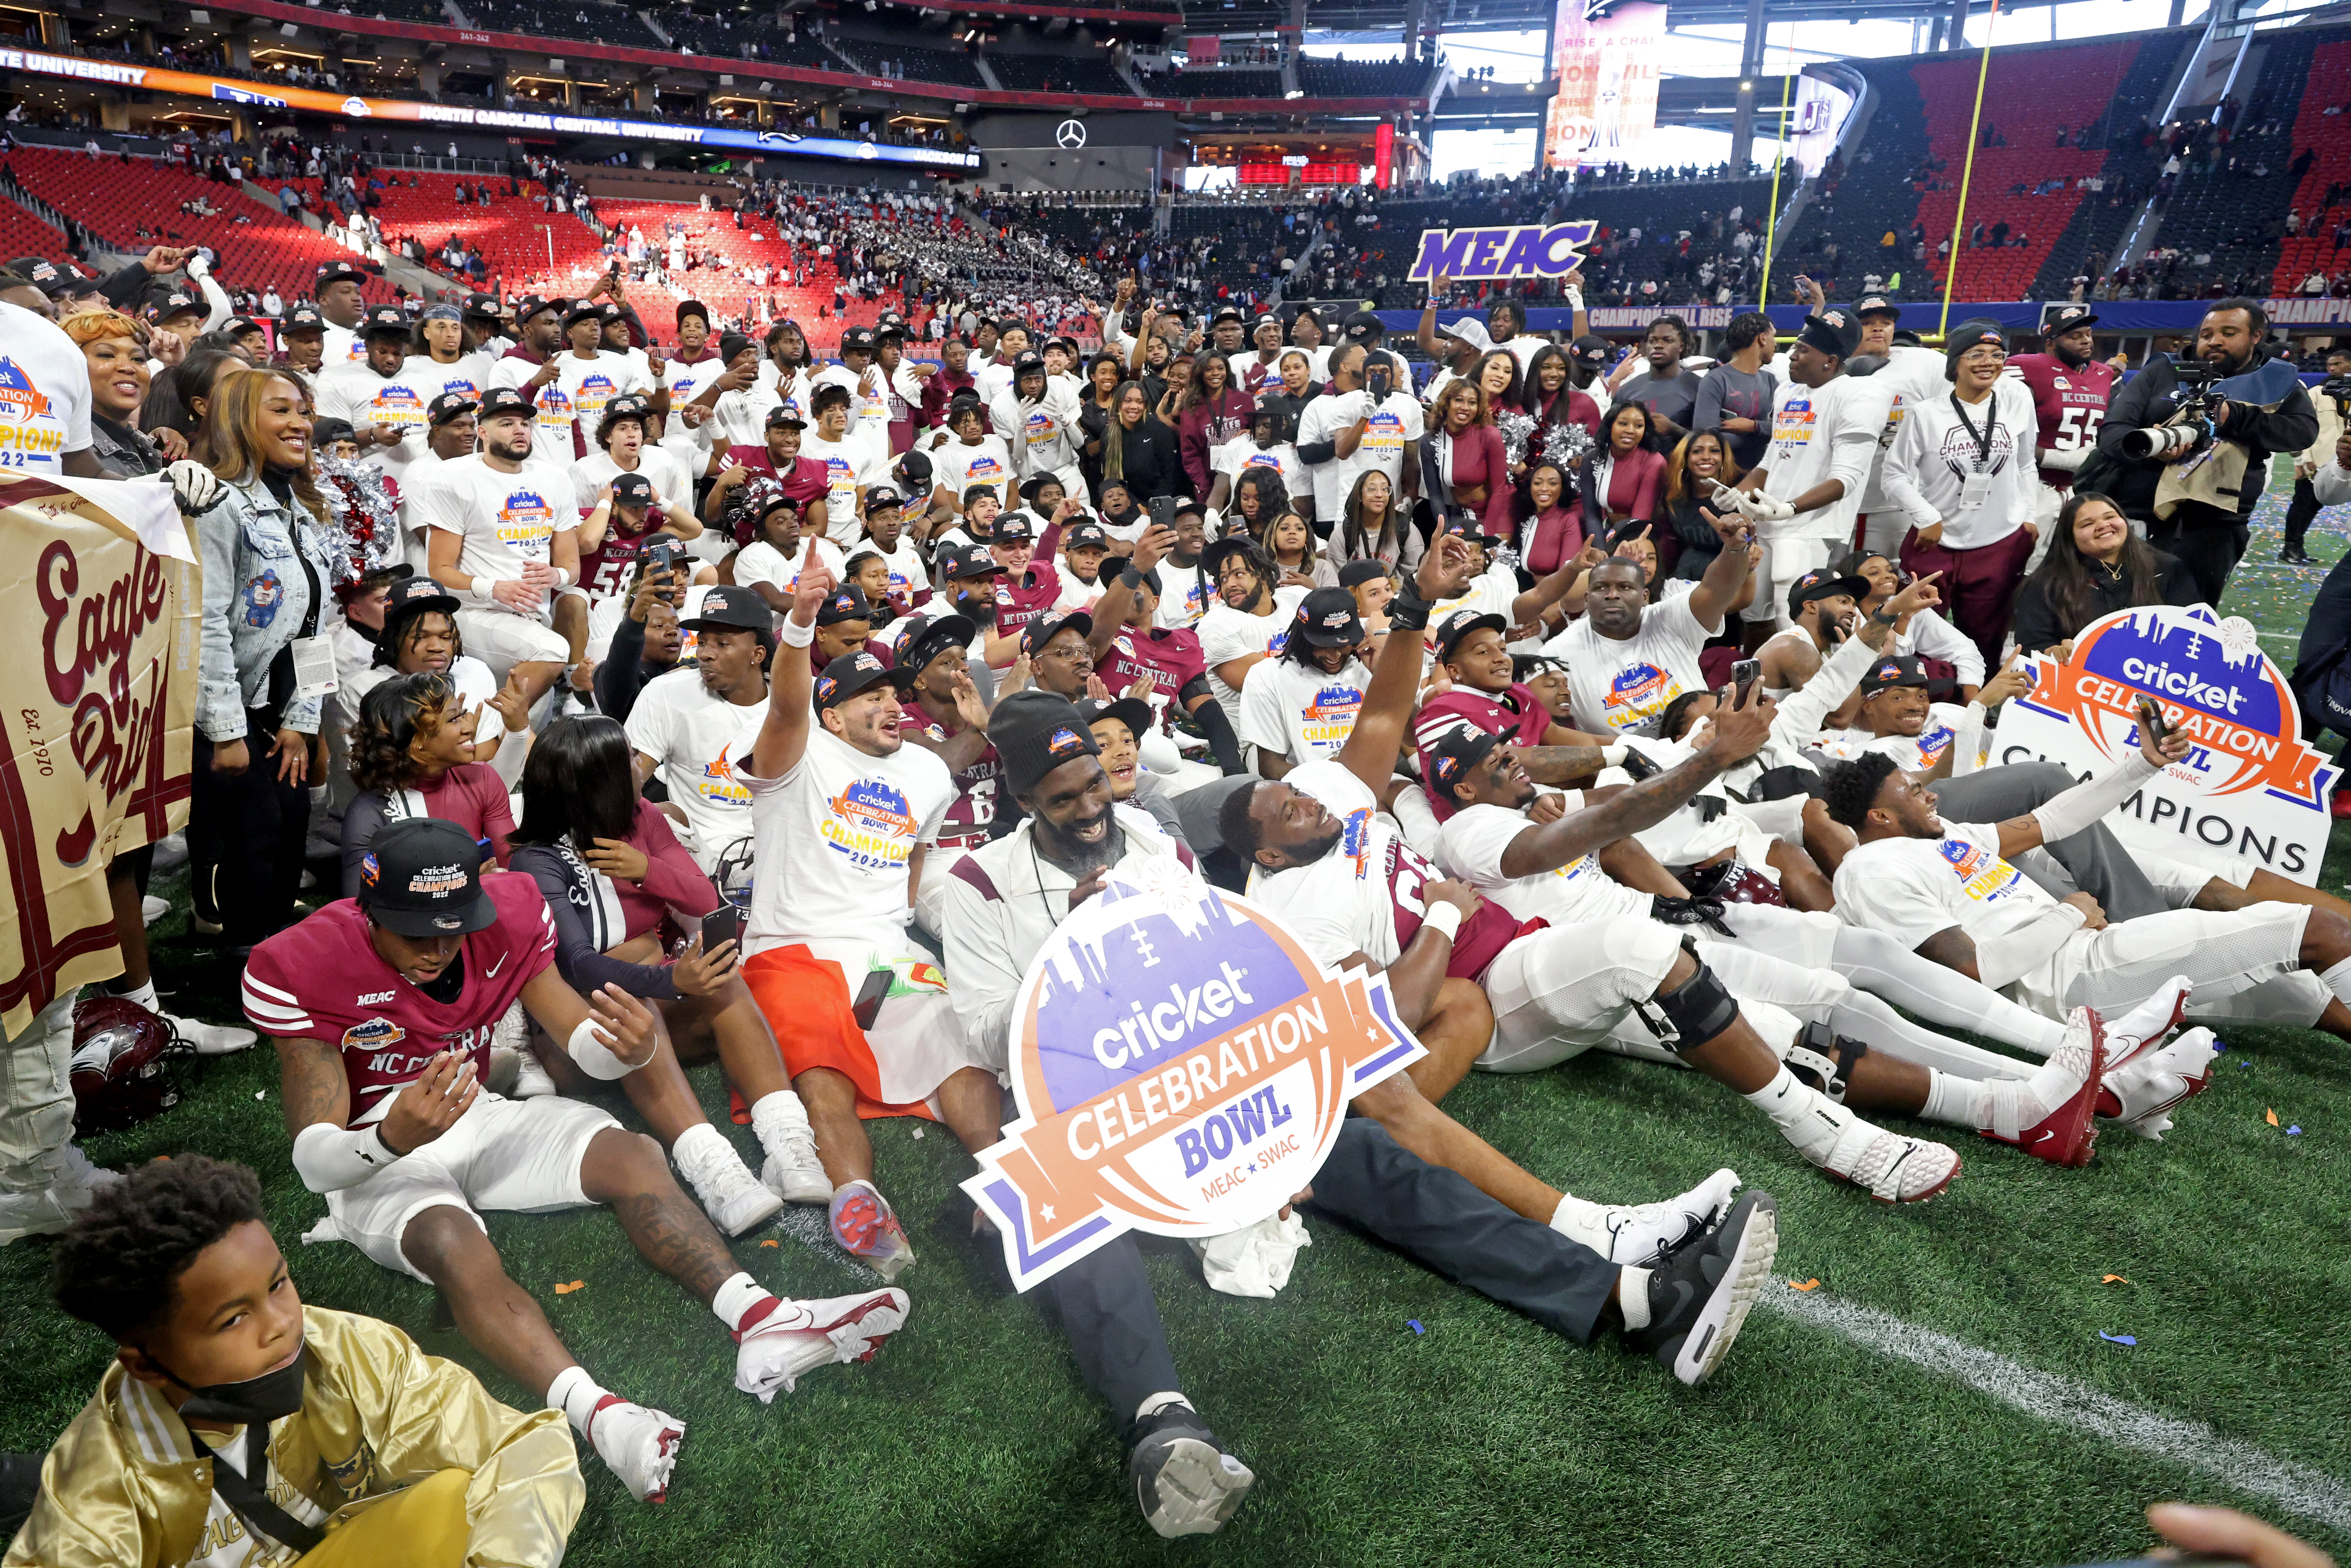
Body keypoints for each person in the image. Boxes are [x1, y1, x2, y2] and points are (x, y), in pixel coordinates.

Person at [936, 689, 1781, 1537]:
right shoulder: (977, 884)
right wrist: (1081, 958)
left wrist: (1273, 1143)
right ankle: (1164, 1429)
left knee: (1375, 1160)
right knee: (1077, 1226)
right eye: (1064, 801)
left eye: (1094, 786)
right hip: (1093, 1115)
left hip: (1202, 1088)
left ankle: (1634, 1301)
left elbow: (1216, 970)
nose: (1091, 810)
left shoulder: (1150, 837)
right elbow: (990, 1032)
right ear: (1019, 802)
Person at [1225, 536, 1989, 1204]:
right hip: (1510, 974)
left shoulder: (1342, 793)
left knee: (1792, 1018)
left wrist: (1415, 604)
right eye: (1284, 806)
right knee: (1664, 955)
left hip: (1543, 944)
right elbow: (1382, 1023)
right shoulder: (1380, 865)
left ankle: (2006, 1107)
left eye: (1295, 787)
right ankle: (1830, 1139)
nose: (1303, 793)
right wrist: (1443, 913)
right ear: (1265, 854)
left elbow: (1388, 726)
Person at [240, 818, 908, 1504]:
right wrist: (389, 1140)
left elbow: (578, 1039)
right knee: (452, 1242)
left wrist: (624, 1044)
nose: (440, 949)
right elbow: (314, 1163)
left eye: (454, 928)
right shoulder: (306, 961)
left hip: (475, 1108)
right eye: (418, 933)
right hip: (373, 1147)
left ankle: (760, 1319)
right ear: (370, 912)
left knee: (632, 1155)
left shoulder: (510, 916)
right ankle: (600, 1415)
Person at [11, 1155, 582, 1566]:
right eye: (234, 1319)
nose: (283, 1323)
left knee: (452, 1499)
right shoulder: (95, 1494)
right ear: (145, 1364)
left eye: (278, 1284)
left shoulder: (342, 1347)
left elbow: (524, 1446)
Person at [733, 551, 1003, 1279]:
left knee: (955, 1045)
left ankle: (1005, 1177)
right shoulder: (799, 754)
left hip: (882, 954)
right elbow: (788, 705)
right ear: (832, 717)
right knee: (825, 1070)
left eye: (893, 696)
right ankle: (861, 1196)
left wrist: (977, 730)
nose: (890, 705)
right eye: (868, 699)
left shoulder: (921, 769)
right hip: (795, 949)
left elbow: (944, 769)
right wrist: (798, 625)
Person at [508, 716, 831, 1210]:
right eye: (629, 760)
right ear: (597, 783)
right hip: (579, 1046)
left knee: (724, 981)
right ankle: (714, 1170)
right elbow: (576, 965)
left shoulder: (641, 817)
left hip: (655, 1015)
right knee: (633, 989)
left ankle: (788, 1143)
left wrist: (647, 870)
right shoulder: (536, 861)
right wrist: (670, 981)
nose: (641, 766)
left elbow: (704, 899)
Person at [1823, 743, 2351, 1044]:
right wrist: (2067, 915)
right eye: (1915, 792)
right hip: (2070, 984)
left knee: (2298, 987)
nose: (1931, 792)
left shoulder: (1946, 836)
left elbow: (2050, 820)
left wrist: (2143, 764)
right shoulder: (1872, 872)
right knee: (2319, 930)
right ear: (1880, 817)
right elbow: (1972, 972)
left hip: (2091, 958)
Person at [185, 366, 338, 954]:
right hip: (225, 708)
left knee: (291, 827)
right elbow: (206, 626)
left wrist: (303, 720)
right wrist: (227, 733)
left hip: (279, 707)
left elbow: (314, 624)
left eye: (303, 410)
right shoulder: (216, 504)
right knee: (254, 836)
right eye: (282, 410)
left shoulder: (303, 507)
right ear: (237, 419)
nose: (301, 422)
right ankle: (240, 961)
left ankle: (274, 953)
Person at [2093, 298, 2317, 603]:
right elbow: (2111, 433)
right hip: (2135, 520)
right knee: (2111, 616)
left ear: (2256, 336)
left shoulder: (2274, 380)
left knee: (2188, 625)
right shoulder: (2163, 370)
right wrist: (2151, 448)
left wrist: (2235, 417)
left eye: (2228, 333)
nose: (2215, 341)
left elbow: (2302, 432)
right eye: (2207, 333)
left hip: (2214, 530)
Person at [1876, 321, 2039, 669]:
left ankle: (1978, 706)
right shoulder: (1926, 414)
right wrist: (1925, 514)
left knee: (1986, 639)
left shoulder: (2016, 402)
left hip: (1998, 543)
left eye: (1997, 355)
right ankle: (1915, 700)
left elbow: (2026, 466)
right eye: (1976, 354)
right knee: (1915, 633)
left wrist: (2029, 516)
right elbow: (1893, 474)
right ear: (1955, 364)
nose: (1988, 363)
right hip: (1934, 542)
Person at [409, 387, 586, 707]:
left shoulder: (555, 479)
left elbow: (571, 567)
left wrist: (555, 576)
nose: (519, 430)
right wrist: (494, 589)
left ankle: (508, 735)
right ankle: (498, 725)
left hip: (533, 617)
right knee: (552, 650)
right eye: (506, 423)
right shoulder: (453, 478)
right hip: (476, 613)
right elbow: (438, 571)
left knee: (575, 601)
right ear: (482, 433)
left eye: (524, 423)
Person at [1719, 309, 1885, 645]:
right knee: (1753, 611)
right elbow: (1774, 458)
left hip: (1809, 527)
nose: (1791, 357)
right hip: (1767, 521)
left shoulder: (1859, 395)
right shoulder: (1788, 393)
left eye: (1802, 351)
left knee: (1792, 615)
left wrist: (1790, 508)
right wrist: (1738, 493)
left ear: (1830, 360)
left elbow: (1847, 478)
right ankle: (1765, 684)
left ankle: (1806, 689)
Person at [1542, 506, 1756, 737]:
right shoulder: (1557, 653)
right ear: (1588, 598)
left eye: (1625, 587)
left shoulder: (1670, 615)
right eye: (1602, 587)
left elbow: (1717, 589)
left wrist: (1735, 550)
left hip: (1708, 746)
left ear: (1645, 596)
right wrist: (1615, 564)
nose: (1612, 595)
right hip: (1628, 767)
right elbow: (1569, 597)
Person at [626, 584, 771, 876]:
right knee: (663, 815)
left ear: (757, 654)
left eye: (722, 643)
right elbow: (629, 777)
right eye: (703, 642)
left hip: (778, 846)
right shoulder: (667, 693)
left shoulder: (798, 703)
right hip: (696, 851)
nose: (705, 654)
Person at [340, 672, 515, 897]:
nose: (470, 729)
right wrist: (458, 888)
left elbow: (514, 870)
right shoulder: (370, 813)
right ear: (417, 742)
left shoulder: (482, 779)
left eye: (462, 715)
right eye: (454, 720)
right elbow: (359, 906)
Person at [2008, 490, 2200, 656]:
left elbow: (2193, 636)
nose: (2103, 525)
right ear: (2069, 537)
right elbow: (2031, 648)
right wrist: (2053, 652)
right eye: (2087, 524)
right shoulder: (2046, 584)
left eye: (2110, 517)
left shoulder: (2167, 569)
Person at [2004, 303, 2119, 559]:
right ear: (2050, 343)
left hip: (2085, 489)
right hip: (2037, 487)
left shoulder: (2104, 374)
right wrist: (2047, 456)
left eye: (2088, 334)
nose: (2086, 341)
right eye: (2074, 337)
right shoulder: (2025, 367)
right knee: (2024, 565)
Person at [1236, 587, 1374, 777]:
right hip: (1309, 790)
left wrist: (1385, 673)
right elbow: (1270, 767)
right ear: (1303, 637)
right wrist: (1332, 776)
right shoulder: (1268, 676)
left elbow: (1411, 737)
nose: (1334, 655)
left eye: (1342, 644)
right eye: (1323, 645)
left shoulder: (1368, 665)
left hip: (1372, 777)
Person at [1297, 344, 1423, 529]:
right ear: (1365, 375)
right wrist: (1365, 417)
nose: (1378, 376)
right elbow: (1342, 451)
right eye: (1373, 371)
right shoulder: (1345, 402)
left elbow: (1411, 459)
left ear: (1392, 375)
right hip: (1352, 501)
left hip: (1390, 501)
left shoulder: (1409, 405)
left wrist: (1410, 497)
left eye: (1384, 371)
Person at [313, 304, 430, 490]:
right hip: (362, 491)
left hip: (422, 484)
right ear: (367, 345)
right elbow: (327, 446)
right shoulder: (336, 379)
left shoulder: (426, 376)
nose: (391, 360)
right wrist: (373, 436)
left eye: (398, 353)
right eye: (382, 352)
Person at [1197, 536, 1310, 716]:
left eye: (1239, 574)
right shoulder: (1216, 624)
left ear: (1264, 574)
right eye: (1224, 578)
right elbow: (1269, 685)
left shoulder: (1299, 599)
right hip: (1252, 736)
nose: (1230, 585)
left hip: (1307, 720)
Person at [2281, 344, 2351, 565]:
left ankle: (2297, 547)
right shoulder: (2316, 394)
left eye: (2338, 364)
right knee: (2302, 506)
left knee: (2312, 508)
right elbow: (2302, 429)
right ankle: (2291, 548)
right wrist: (2303, 460)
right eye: (2330, 365)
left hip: (2341, 464)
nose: (2332, 368)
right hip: (2317, 462)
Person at [1422, 378, 1510, 536]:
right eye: (1459, 400)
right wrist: (1445, 532)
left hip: (1495, 515)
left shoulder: (1489, 435)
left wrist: (1487, 536)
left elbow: (1499, 491)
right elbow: (1435, 495)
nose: (1465, 408)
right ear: (1447, 403)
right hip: (1461, 514)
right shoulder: (1431, 441)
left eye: (1472, 403)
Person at [1695, 310, 1778, 471]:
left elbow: (1784, 429)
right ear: (1762, 339)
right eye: (1773, 336)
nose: (1775, 343)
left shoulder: (1771, 381)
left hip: (1759, 474)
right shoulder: (1715, 380)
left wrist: (1752, 427)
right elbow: (1705, 437)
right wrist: (1762, 434)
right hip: (1722, 474)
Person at [1611, 314, 1700, 445]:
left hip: (1679, 464)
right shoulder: (1626, 391)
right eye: (1653, 341)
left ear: (1682, 346)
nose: (1658, 346)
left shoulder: (1700, 387)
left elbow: (1711, 441)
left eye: (1668, 341)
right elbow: (1610, 435)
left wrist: (1674, 430)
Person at [1581, 403, 1666, 534]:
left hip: (1645, 536)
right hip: (1610, 532)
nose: (1630, 431)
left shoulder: (1654, 462)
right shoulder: (1592, 458)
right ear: (1610, 426)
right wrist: (1601, 550)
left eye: (1639, 426)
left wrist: (1615, 552)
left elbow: (1639, 521)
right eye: (1623, 424)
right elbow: (1592, 516)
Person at [1327, 467, 1422, 574]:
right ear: (1359, 495)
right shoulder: (1342, 534)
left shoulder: (1407, 530)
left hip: (1396, 590)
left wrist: (1387, 589)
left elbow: (1413, 576)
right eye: (1372, 489)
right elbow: (1337, 580)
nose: (1379, 494)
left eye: (1385, 489)